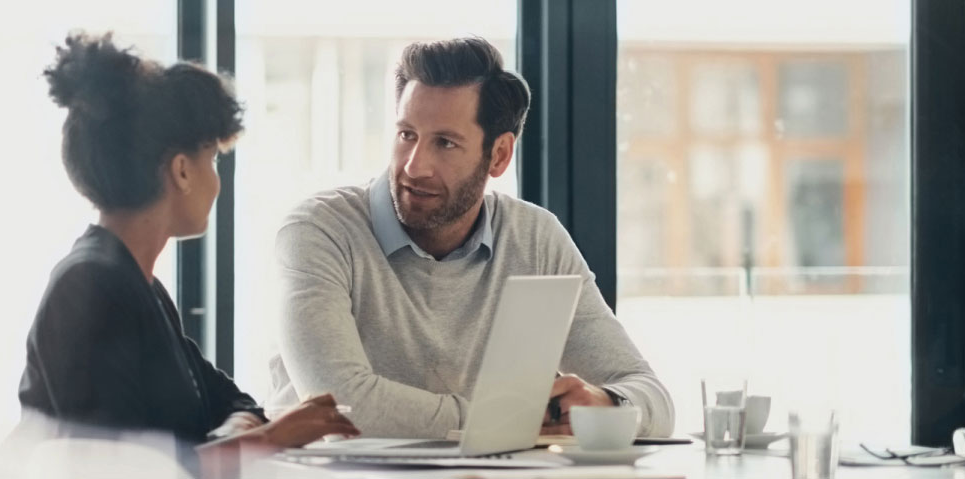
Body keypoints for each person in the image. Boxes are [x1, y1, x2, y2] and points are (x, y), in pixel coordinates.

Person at [267, 37, 674, 439]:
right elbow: (340, 405)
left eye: (444, 143)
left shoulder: (534, 238)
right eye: (407, 134)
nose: (415, 166)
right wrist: (509, 420)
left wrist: (606, 403)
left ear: (498, 156)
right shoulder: (320, 230)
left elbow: (651, 397)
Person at [16, 32, 359, 469]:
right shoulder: (90, 287)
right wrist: (269, 438)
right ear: (181, 170)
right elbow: (122, 472)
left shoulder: (139, 285)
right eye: (213, 159)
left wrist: (241, 428)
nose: (217, 181)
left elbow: (233, 400)